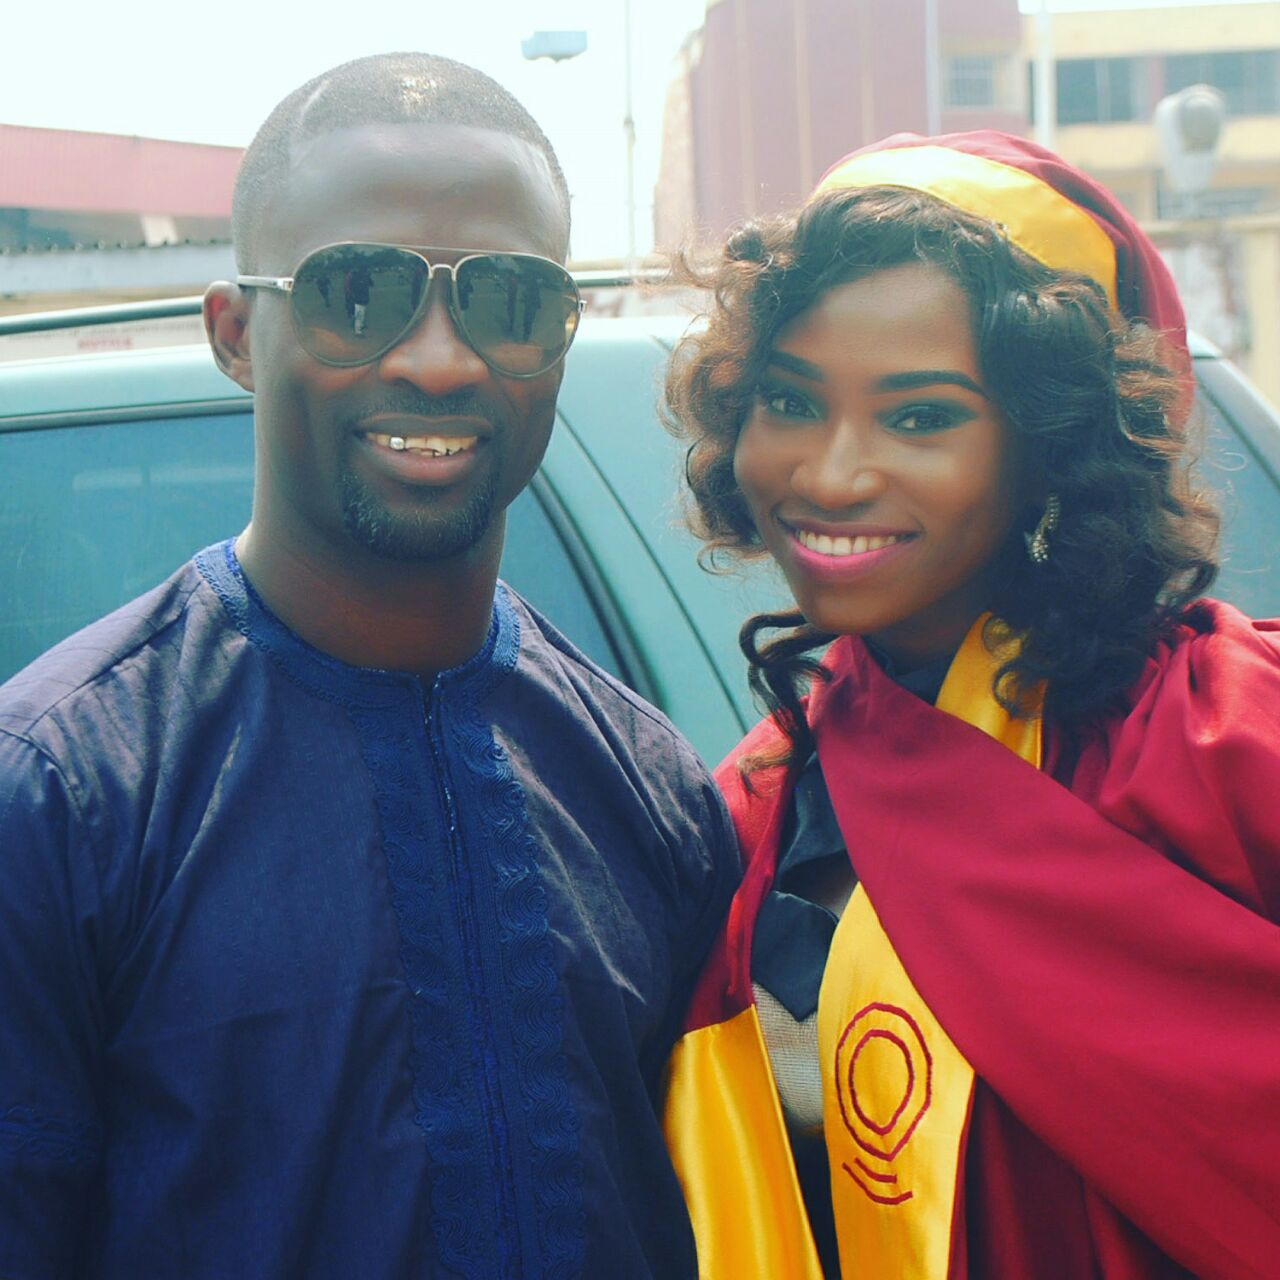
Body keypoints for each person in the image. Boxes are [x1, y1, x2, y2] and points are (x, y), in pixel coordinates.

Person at [0, 54, 738, 1279]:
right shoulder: (59, 793)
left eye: (507, 299)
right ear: (238, 332)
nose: (439, 360)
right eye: (358, 292)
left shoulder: (648, 786)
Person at [661, 131, 1280, 1279]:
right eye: (791, 401)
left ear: (1052, 449)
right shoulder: (741, 816)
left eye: (920, 416)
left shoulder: (1222, 735)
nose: (831, 474)